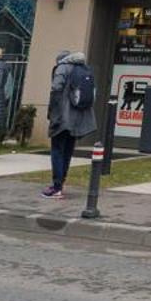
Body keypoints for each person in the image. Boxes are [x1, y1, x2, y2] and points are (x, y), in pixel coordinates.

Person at [42, 50, 97, 198]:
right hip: (78, 118)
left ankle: (56, 187)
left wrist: (52, 114)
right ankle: (61, 183)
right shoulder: (84, 69)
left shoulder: (62, 67)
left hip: (62, 117)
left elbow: (56, 89)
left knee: (57, 150)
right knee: (67, 151)